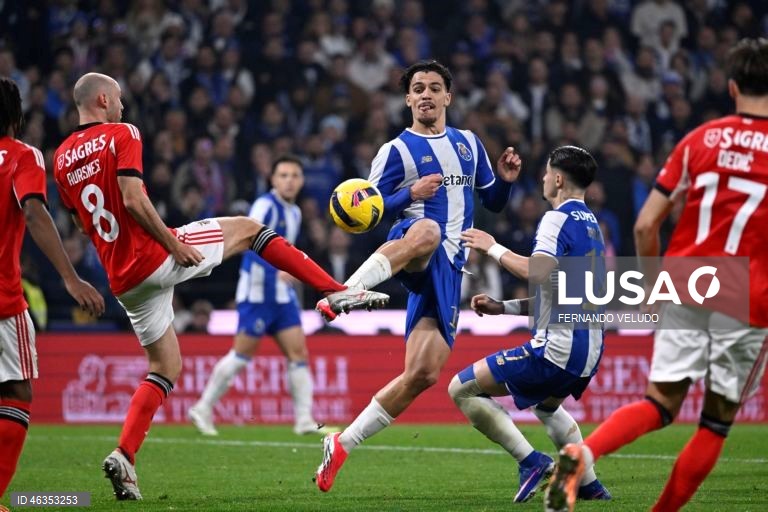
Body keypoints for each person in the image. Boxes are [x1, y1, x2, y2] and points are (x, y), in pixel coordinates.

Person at [53, 73, 388, 501]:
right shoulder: (122, 133)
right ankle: (333, 289)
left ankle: (125, 455)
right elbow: (133, 198)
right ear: (103, 99)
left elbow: (84, 225)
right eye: (118, 98)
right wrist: (172, 244)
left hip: (123, 278)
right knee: (249, 229)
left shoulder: (60, 159)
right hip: (156, 254)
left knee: (164, 367)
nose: (122, 106)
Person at [546, 38, 768, 512]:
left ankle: (582, 452)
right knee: (715, 424)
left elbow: (646, 224)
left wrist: (653, 287)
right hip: (748, 294)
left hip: (689, 282)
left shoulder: (700, 140)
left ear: (732, 87)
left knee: (659, 404)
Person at [314, 59, 518, 492]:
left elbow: (494, 203)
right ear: (407, 99)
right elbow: (366, 210)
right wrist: (411, 192)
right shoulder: (395, 150)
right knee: (428, 229)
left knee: (423, 375)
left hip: (450, 270)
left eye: (434, 87)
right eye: (418, 88)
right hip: (415, 245)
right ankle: (347, 290)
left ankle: (342, 443)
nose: (426, 94)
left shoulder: (469, 143)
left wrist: (505, 180)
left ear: (448, 97)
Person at [453, 146, 611, 503]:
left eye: (546, 172)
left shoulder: (556, 219)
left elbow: (537, 271)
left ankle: (532, 462)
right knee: (546, 406)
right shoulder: (592, 226)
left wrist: (492, 247)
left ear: (558, 179)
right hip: (589, 350)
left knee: (461, 389)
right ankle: (589, 485)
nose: (542, 178)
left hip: (558, 350)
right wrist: (503, 307)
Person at [0, 77, 104, 499]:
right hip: (3, 302)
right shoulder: (21, 155)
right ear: (16, 115)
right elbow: (34, 213)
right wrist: (70, 276)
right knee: (17, 391)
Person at [189, 155, 333, 436]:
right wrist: (276, 273)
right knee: (242, 354)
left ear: (302, 180)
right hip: (257, 293)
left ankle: (304, 419)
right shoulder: (265, 205)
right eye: (284, 175)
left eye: (295, 175)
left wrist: (286, 274)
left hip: (282, 296)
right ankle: (202, 408)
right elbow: (249, 243)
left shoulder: (295, 212)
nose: (289, 181)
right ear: (273, 180)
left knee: (298, 353)